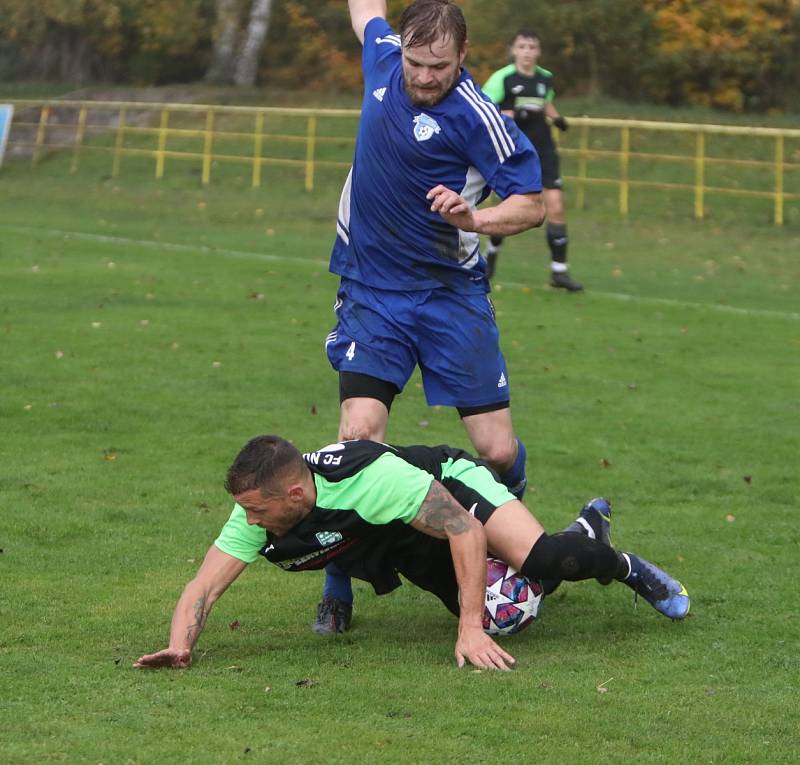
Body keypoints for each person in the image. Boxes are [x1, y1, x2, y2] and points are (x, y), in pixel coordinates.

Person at [316, 0, 548, 635]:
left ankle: (510, 529)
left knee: (495, 450)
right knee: (358, 440)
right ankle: (339, 586)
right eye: (416, 63)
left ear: (463, 56)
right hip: (372, 292)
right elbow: (366, 11)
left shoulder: (477, 116)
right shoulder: (384, 59)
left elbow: (530, 205)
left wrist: (474, 220)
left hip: (450, 297)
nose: (423, 76)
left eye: (438, 66)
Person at [133, 436, 690, 673]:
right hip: (409, 538)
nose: (250, 522)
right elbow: (202, 587)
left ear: (295, 495)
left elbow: (464, 530)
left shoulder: (370, 481)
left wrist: (466, 630)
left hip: (448, 486)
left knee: (543, 562)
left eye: (257, 511)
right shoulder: (259, 507)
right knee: (509, 616)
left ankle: (621, 565)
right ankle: (584, 528)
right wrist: (180, 647)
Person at [482, 30, 583, 291]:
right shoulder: (502, 78)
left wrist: (557, 118)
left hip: (544, 150)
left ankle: (559, 272)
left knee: (557, 205)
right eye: (522, 46)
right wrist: (510, 114)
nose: (527, 51)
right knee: (510, 207)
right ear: (514, 50)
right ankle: (491, 253)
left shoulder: (544, 78)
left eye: (532, 47)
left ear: (538, 52)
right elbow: (484, 110)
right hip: (514, 151)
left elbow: (545, 103)